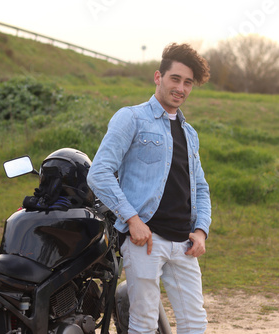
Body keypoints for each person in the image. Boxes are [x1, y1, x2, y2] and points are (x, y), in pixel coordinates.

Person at [87, 43, 211, 334]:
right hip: (146, 240)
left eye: (188, 83)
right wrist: (132, 220)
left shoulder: (189, 133)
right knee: (143, 323)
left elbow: (201, 188)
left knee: (195, 322)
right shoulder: (131, 118)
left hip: (184, 244)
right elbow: (99, 172)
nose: (180, 88)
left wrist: (201, 230)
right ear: (158, 77)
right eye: (175, 79)